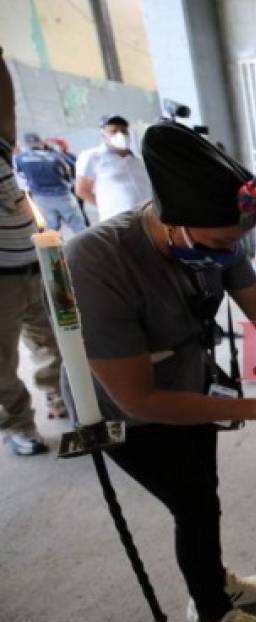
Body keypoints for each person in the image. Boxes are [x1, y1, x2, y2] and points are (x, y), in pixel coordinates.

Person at [65, 120, 256, 622]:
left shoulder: (218, 233)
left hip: (188, 384)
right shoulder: (98, 260)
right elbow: (137, 398)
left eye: (235, 245)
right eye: (219, 245)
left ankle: (209, 582)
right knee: (192, 502)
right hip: (125, 411)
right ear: (175, 224)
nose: (228, 254)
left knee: (204, 494)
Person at [0, 48, 66, 456]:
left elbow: (7, 112)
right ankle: (19, 424)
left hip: (33, 265)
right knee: (1, 363)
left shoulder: (2, 150)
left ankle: (59, 401)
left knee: (53, 342)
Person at [75, 114, 153, 222]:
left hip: (148, 217)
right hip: (119, 220)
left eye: (124, 131)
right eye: (114, 131)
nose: (120, 134)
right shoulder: (93, 157)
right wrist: (108, 207)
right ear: (103, 135)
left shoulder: (138, 160)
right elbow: (81, 190)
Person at [14, 132, 86, 236]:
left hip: (41, 198)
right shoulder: (54, 156)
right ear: (40, 142)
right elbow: (68, 171)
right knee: (78, 227)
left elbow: (20, 175)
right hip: (62, 195)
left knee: (51, 232)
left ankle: (56, 251)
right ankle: (85, 250)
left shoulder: (20, 158)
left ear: (26, 144)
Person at [46, 136, 90, 227]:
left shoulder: (66, 156)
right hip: (70, 188)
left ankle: (86, 230)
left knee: (79, 212)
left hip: (73, 187)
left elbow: (75, 169)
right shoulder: (55, 157)